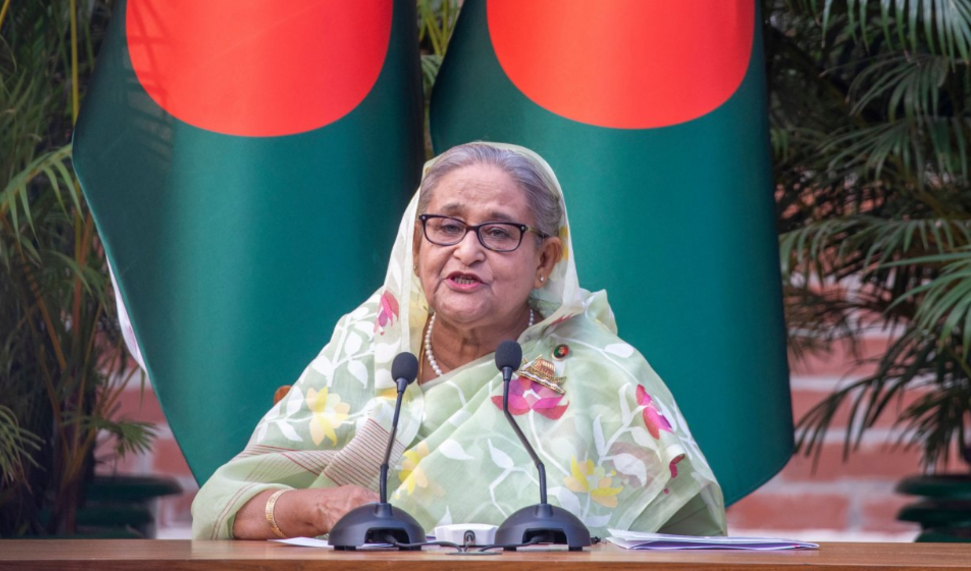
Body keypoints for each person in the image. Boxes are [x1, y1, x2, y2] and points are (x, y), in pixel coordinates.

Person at [191, 142, 726, 539]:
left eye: (497, 232)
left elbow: (686, 539)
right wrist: (313, 509)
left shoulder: (599, 375)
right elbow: (219, 504)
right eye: (446, 226)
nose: (467, 251)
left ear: (544, 260)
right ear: (417, 240)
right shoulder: (370, 340)